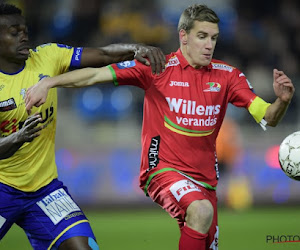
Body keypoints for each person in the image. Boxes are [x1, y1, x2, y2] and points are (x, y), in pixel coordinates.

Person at [25, 4, 295, 250]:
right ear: (184, 36)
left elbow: (268, 116)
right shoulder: (158, 67)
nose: (209, 45)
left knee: (204, 227)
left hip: (204, 180)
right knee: (200, 211)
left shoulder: (228, 75)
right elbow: (95, 75)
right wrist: (49, 83)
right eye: (202, 36)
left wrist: (281, 101)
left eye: (213, 38)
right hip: (161, 169)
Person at [0, 3, 166, 250]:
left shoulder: (47, 56)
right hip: (3, 189)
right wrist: (18, 137)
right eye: (14, 32)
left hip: (44, 190)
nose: (23, 36)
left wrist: (136, 48)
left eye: (24, 30)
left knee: (84, 247)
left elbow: (103, 54)